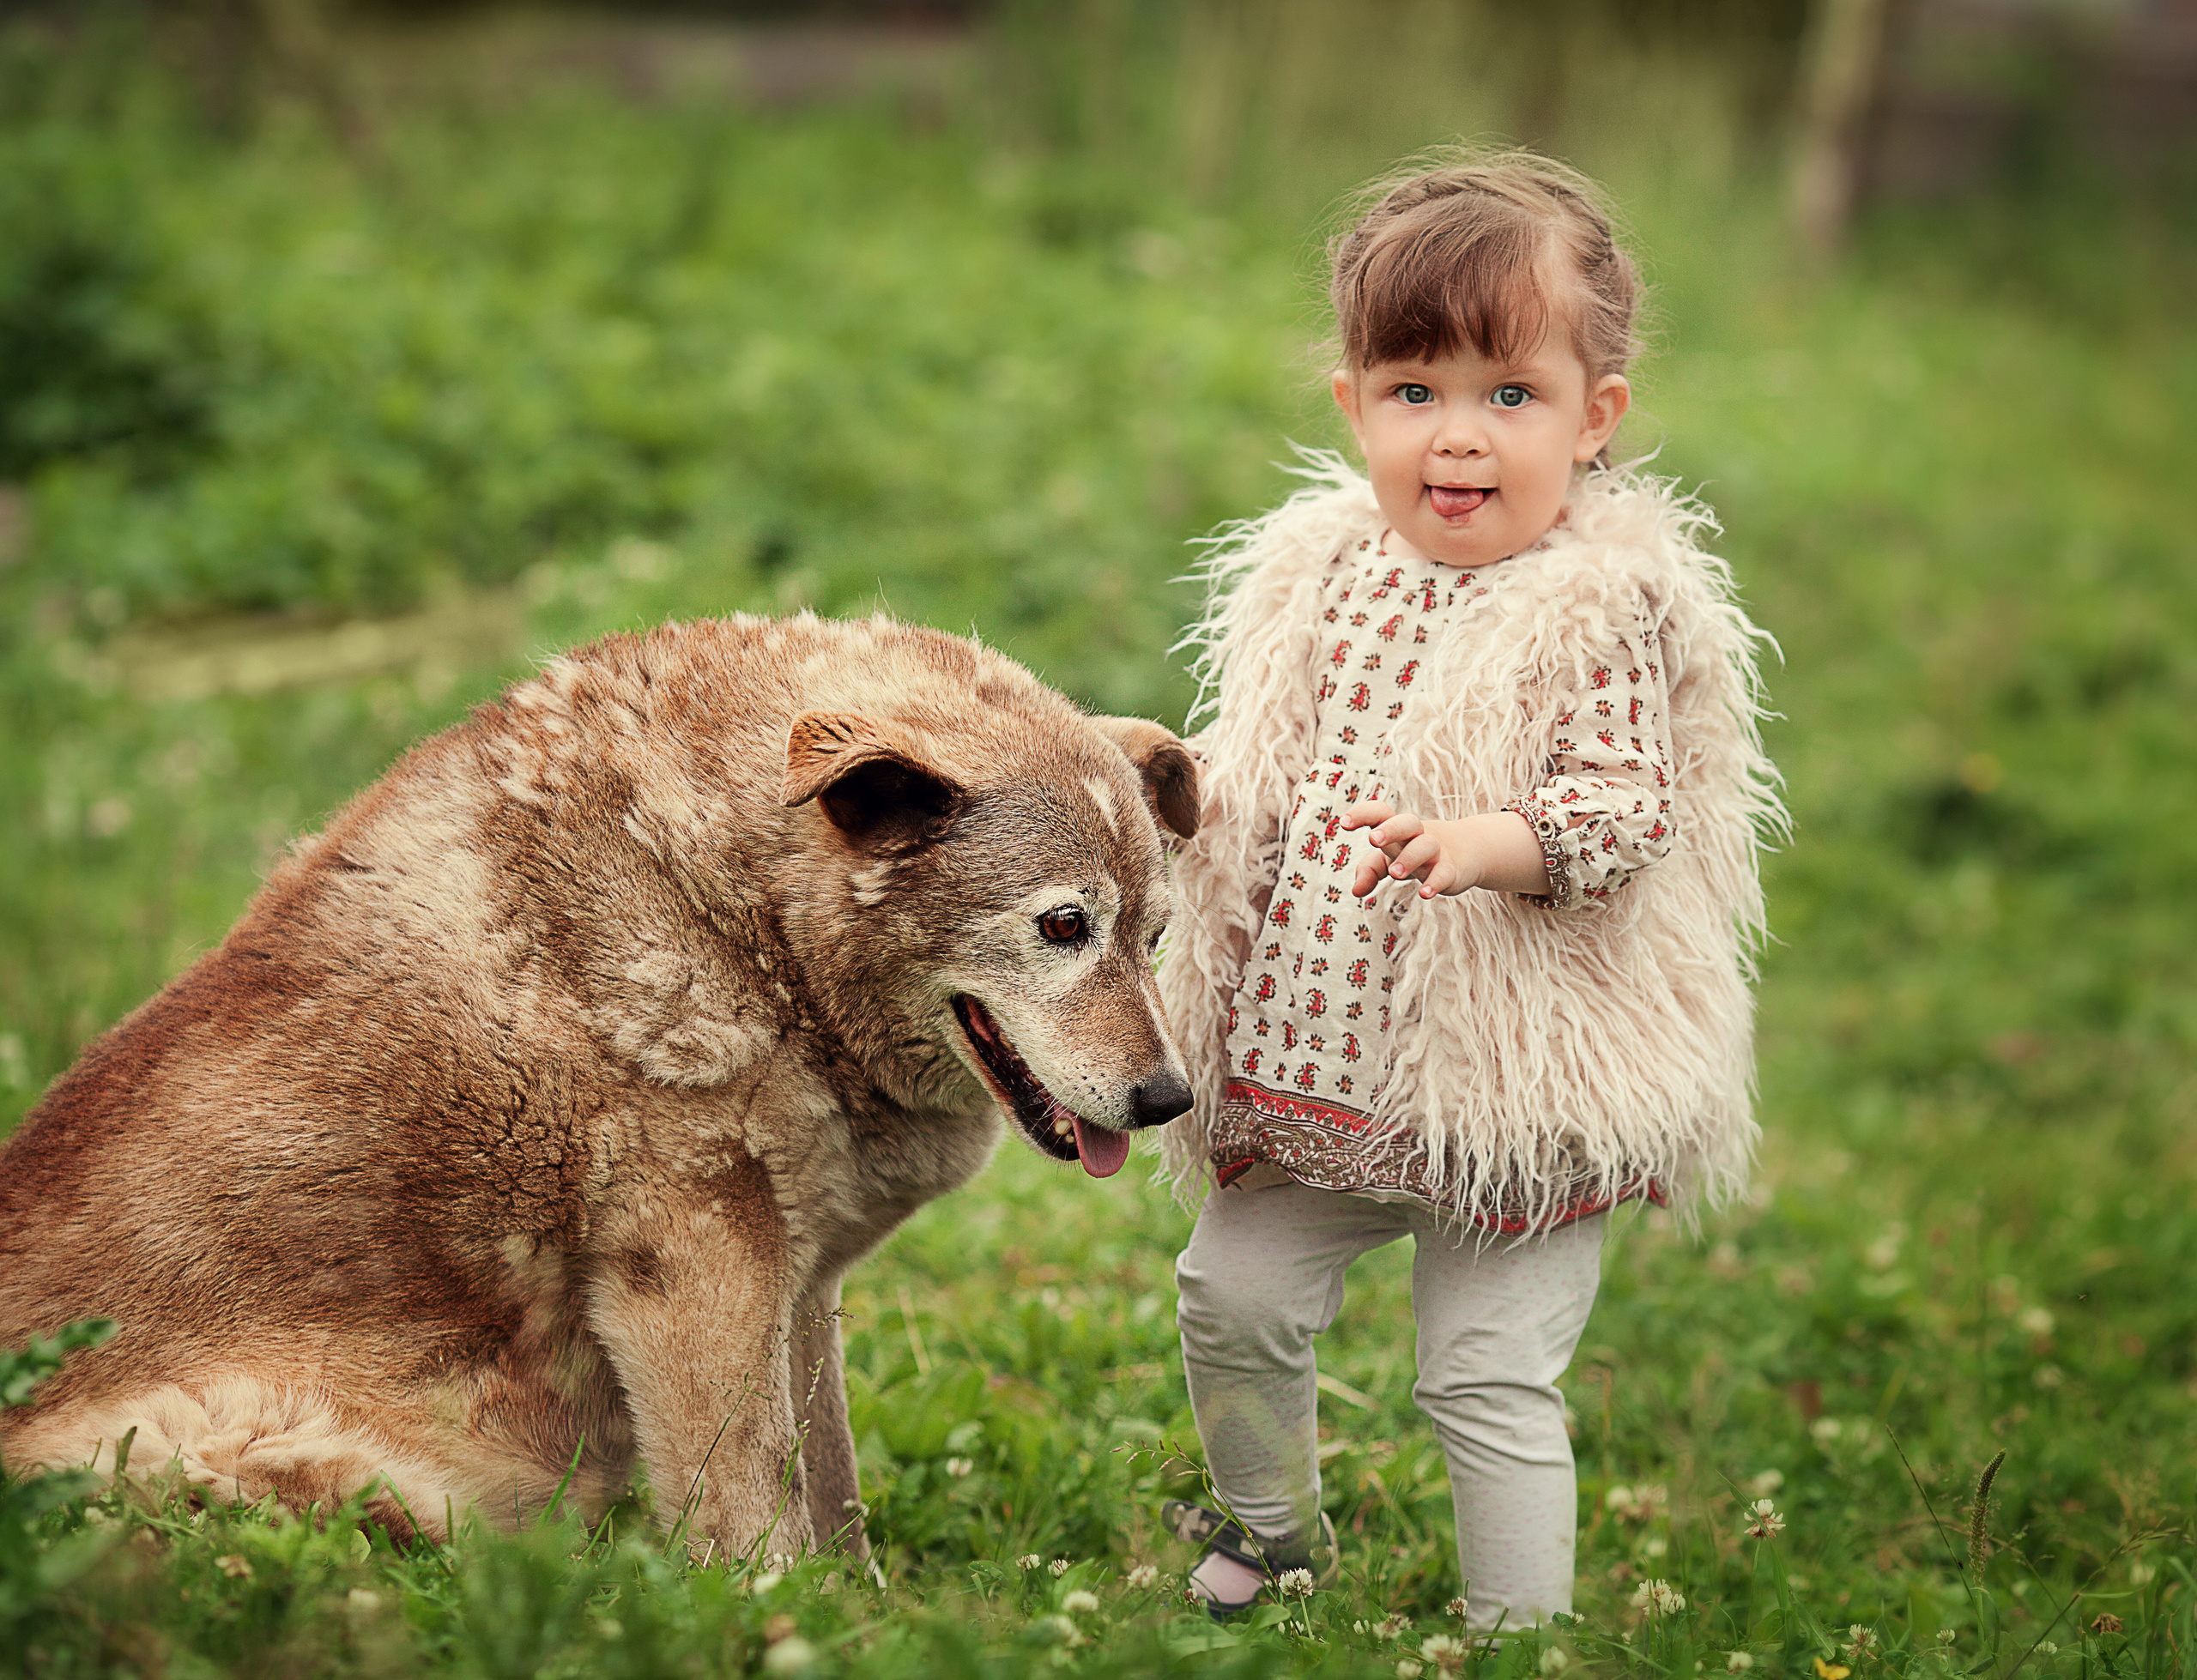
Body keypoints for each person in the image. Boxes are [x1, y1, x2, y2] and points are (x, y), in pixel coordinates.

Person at [1154, 150, 1782, 1630]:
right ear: (1354, 404)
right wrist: (1176, 803)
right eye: (1413, 390)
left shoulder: (1601, 605)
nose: (1458, 435)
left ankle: (1519, 1633)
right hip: (1326, 1069)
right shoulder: (1320, 577)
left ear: (1593, 417)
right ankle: (1273, 1526)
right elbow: (1260, 773)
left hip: (1511, 1088)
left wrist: (1490, 842)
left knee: (1485, 1371)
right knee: (1231, 1296)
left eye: (1510, 394)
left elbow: (1628, 810)